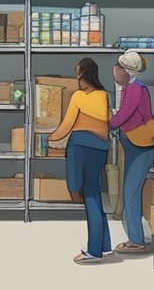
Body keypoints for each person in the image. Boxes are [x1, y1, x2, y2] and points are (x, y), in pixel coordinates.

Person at [48, 57, 112, 264]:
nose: (77, 78)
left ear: (84, 74)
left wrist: (50, 139)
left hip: (80, 147)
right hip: (101, 148)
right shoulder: (104, 96)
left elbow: (67, 124)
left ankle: (94, 251)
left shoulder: (78, 96)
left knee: (84, 192)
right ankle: (104, 244)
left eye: (78, 73)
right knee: (95, 193)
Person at [109, 50, 154, 255]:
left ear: (126, 70)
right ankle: (134, 237)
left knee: (131, 191)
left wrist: (105, 125)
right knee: (130, 190)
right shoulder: (132, 87)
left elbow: (123, 116)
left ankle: (137, 240)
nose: (115, 71)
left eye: (118, 67)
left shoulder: (135, 89)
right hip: (134, 144)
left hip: (140, 145)